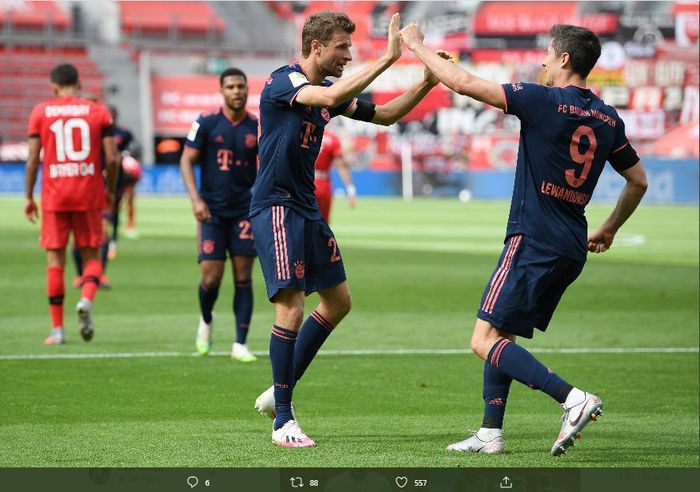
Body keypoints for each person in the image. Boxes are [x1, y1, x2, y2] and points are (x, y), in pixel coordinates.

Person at [399, 23, 648, 456]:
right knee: (504, 333)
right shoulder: (609, 118)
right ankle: (490, 433)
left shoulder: (542, 99)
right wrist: (609, 227)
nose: (543, 61)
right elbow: (638, 181)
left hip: (533, 236)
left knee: (482, 340)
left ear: (565, 60)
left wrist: (416, 45)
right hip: (572, 242)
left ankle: (573, 399)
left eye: (548, 54)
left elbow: (463, 83)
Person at [250, 11, 449, 447]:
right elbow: (328, 97)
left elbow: (387, 116)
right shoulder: (283, 81)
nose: (348, 54)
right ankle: (283, 419)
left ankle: (277, 390)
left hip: (306, 208)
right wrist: (388, 58)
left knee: (338, 302)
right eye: (342, 47)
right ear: (316, 47)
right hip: (277, 207)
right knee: (291, 309)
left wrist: (425, 84)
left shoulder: (326, 90)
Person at [25, 63, 118, 344]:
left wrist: (29, 196)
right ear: (79, 84)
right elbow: (112, 159)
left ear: (54, 86)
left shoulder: (41, 112)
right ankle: (86, 301)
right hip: (88, 193)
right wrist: (110, 191)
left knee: (55, 262)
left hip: (54, 195)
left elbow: (32, 159)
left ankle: (57, 330)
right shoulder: (98, 111)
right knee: (92, 258)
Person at [180, 67, 259, 362]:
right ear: (221, 90)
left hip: (244, 212)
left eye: (241, 86)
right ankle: (206, 319)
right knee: (211, 278)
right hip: (210, 212)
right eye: (231, 87)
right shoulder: (206, 122)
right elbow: (186, 161)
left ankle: (240, 343)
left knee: (243, 276)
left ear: (247, 89)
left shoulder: (256, 126)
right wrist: (195, 199)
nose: (237, 91)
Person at [314, 129, 356, 223]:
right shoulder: (332, 139)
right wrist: (351, 190)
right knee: (323, 224)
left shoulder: (303, 132)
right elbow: (342, 166)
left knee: (301, 222)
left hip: (304, 181)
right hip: (323, 183)